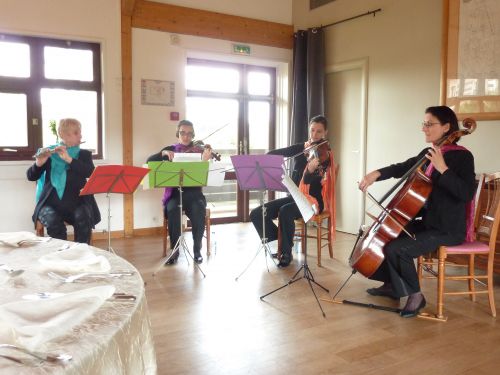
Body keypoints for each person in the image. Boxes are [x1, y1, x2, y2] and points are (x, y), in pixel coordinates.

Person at [358, 106, 476, 318]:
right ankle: (393, 285)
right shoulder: (428, 153)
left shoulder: (462, 158)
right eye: (423, 124)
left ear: (447, 127)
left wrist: (444, 170)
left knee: (399, 249)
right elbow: (404, 167)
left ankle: (416, 295)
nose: (424, 129)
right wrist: (376, 174)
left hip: (448, 228)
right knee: (387, 234)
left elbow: (466, 193)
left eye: (429, 124)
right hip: (429, 222)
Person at [250, 115, 336, 268]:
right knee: (257, 213)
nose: (315, 135)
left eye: (319, 132)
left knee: (285, 211)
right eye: (312, 130)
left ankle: (286, 253)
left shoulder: (325, 155)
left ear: (325, 133)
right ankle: (278, 244)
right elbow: (278, 152)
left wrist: (309, 171)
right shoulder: (301, 148)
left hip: (313, 200)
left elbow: (311, 182)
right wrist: (265, 159)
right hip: (295, 197)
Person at [147, 120, 212, 265]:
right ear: (178, 133)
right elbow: (149, 161)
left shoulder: (199, 151)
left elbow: (208, 173)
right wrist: (163, 152)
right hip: (175, 193)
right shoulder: (170, 149)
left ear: (193, 135)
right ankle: (175, 251)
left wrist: (205, 161)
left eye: (189, 133)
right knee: (172, 210)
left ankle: (197, 250)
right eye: (183, 132)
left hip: (195, 193)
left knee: (198, 210)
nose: (186, 136)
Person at [27, 118, 100, 244]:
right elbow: (31, 176)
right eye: (76, 133)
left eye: (80, 132)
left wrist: (69, 159)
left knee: (83, 218)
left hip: (78, 202)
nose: (80, 135)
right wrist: (39, 163)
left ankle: (82, 254)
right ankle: (60, 256)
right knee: (53, 222)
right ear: (64, 135)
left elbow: (90, 172)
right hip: (50, 203)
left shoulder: (84, 155)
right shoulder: (50, 153)